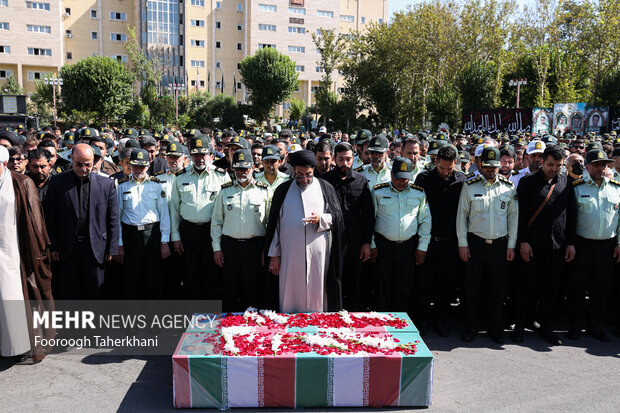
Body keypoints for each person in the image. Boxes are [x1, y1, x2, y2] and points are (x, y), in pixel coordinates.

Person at [265, 150, 345, 312]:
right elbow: (275, 225)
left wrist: (321, 219)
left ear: (313, 170)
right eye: (299, 175)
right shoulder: (283, 190)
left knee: (318, 292)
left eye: (308, 174)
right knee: (290, 294)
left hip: (319, 253)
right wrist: (274, 254)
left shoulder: (325, 188)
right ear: (293, 170)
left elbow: (337, 219)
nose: (304, 179)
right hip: (290, 254)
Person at [513, 145, 576, 345]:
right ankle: (520, 326)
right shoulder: (527, 182)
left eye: (558, 165)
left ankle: (546, 327)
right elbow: (520, 215)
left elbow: (572, 214)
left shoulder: (567, 183)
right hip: (531, 245)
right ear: (542, 162)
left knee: (550, 289)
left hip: (557, 246)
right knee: (525, 288)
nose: (554, 169)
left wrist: (571, 243)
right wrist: (523, 241)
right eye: (550, 164)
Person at [456, 147, 518, 344]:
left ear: (500, 165)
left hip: (500, 246)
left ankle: (495, 328)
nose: (491, 170)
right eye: (487, 166)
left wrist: (511, 245)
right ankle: (470, 327)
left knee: (497, 290)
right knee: (472, 289)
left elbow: (513, 219)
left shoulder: (508, 188)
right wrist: (462, 244)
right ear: (481, 165)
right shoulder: (470, 186)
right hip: (475, 244)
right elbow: (461, 217)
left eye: (495, 166)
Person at [0, 146, 54, 363]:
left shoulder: (21, 183)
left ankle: (24, 345)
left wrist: (38, 255)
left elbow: (36, 225)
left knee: (18, 298)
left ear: (3, 165)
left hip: (17, 253)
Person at [45, 144, 119, 299]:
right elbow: (50, 218)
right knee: (69, 291)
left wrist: (112, 248)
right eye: (79, 164)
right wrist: (53, 246)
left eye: (88, 164)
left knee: (95, 293)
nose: (84, 168)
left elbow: (112, 218)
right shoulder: (57, 182)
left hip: (96, 248)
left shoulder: (106, 184)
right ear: (71, 159)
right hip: (67, 249)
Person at [568, 149, 620, 342]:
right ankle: (575, 326)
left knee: (601, 288)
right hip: (582, 245)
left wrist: (619, 243)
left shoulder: (616, 188)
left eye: (604, 164)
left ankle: (595, 326)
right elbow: (570, 221)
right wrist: (571, 244)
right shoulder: (577, 187)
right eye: (597, 164)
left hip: (607, 246)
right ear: (587, 166)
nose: (601, 168)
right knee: (577, 287)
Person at [414, 145, 466, 336]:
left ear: (456, 165)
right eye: (442, 168)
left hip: (450, 242)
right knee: (425, 283)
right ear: (435, 162)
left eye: (449, 169)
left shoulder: (462, 180)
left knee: (446, 283)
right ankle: (423, 320)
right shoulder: (424, 178)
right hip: (428, 240)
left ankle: (440, 320)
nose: (445, 172)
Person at [169, 136, 231, 299]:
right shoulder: (181, 177)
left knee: (213, 274)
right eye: (195, 155)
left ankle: (211, 316)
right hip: (188, 232)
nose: (199, 158)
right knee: (190, 274)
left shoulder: (221, 176)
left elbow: (228, 208)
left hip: (213, 232)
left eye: (203, 154)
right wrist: (175, 237)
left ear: (210, 155)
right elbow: (174, 209)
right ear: (190, 155)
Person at [211, 149, 270, 311]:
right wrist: (217, 249)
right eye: (238, 169)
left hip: (255, 247)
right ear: (232, 169)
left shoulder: (263, 191)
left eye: (245, 168)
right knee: (230, 290)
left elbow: (270, 224)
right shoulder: (225, 191)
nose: (242, 172)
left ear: (253, 167)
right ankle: (229, 328)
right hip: (230, 247)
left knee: (253, 290)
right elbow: (216, 223)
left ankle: (253, 330)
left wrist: (267, 249)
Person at [372, 157, 431, 312]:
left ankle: (402, 324)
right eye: (398, 178)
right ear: (392, 175)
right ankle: (382, 323)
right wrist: (372, 244)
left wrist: (422, 247)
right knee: (383, 287)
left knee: (404, 288)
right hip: (384, 246)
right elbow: (370, 220)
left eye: (405, 179)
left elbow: (425, 221)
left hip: (408, 247)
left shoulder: (418, 193)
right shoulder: (378, 191)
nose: (401, 182)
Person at [322, 142, 374, 310]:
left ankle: (353, 318)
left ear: (354, 159)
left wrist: (366, 243)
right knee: (332, 281)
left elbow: (368, 215)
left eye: (348, 159)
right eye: (341, 159)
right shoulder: (324, 181)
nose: (345, 163)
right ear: (334, 160)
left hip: (355, 242)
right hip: (329, 240)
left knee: (354, 282)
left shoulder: (361, 181)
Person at [116, 149, 171, 299]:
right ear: (130, 166)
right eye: (135, 166)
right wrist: (120, 244)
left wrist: (164, 241)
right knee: (131, 278)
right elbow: (117, 217)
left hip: (152, 234)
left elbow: (164, 214)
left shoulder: (156, 185)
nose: (138, 169)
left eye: (142, 166)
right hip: (130, 236)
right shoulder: (121, 186)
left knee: (154, 277)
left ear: (148, 166)